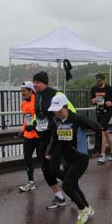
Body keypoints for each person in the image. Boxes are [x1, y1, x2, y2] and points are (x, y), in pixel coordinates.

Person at [46, 94, 102, 224]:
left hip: (80, 158)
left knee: (67, 185)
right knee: (73, 185)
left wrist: (96, 148)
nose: (56, 112)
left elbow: (98, 128)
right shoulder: (56, 120)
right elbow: (54, 138)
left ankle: (82, 209)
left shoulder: (77, 118)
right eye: (54, 110)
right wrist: (49, 152)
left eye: (58, 109)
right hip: (67, 159)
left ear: (65, 107)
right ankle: (87, 207)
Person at [33, 71, 74, 208]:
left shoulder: (57, 95)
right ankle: (59, 196)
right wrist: (34, 123)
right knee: (45, 168)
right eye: (34, 82)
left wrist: (61, 126)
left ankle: (73, 187)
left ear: (45, 82)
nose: (35, 84)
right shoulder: (37, 96)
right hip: (43, 138)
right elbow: (38, 115)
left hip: (57, 138)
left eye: (37, 82)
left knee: (55, 169)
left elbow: (71, 112)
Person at [91, 74, 112, 164]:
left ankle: (102, 154)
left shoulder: (110, 88)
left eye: (99, 80)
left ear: (104, 80)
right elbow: (92, 99)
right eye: (97, 80)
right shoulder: (94, 88)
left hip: (107, 112)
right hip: (98, 112)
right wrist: (93, 100)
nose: (98, 82)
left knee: (102, 130)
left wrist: (111, 102)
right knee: (106, 132)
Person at [19, 81, 41, 192]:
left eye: (24, 91)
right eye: (21, 91)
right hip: (28, 135)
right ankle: (31, 182)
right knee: (27, 158)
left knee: (43, 159)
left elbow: (40, 116)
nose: (22, 93)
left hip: (38, 135)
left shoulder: (37, 101)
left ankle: (55, 175)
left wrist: (34, 125)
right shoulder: (23, 104)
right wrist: (23, 129)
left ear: (30, 90)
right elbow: (26, 118)